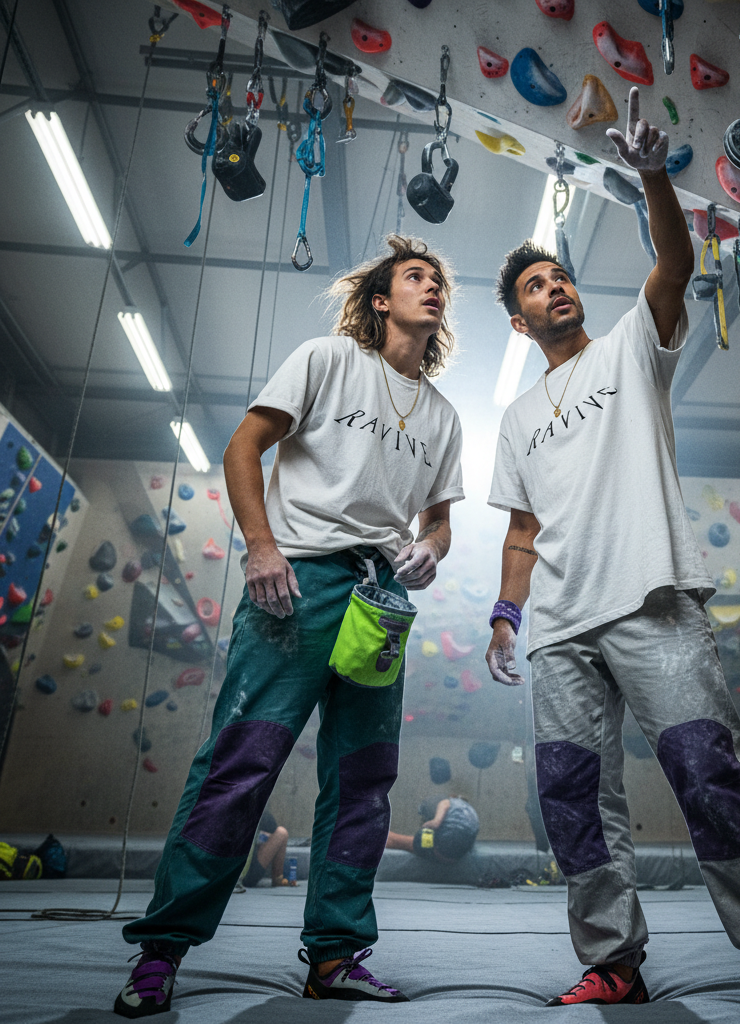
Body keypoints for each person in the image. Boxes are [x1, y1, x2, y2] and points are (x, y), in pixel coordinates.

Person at [484, 89, 740, 1020]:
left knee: (709, 774)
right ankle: (613, 961)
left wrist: (649, 173)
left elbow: (674, 262)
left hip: (652, 602)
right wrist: (506, 613)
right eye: (533, 287)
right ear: (519, 321)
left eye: (558, 277)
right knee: (571, 797)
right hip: (557, 626)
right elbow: (520, 531)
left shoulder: (635, 345)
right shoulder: (515, 416)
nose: (553, 287)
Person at [113, 235, 464, 1017]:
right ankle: (162, 950)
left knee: (364, 778)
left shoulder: (442, 415)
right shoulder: (326, 359)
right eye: (415, 276)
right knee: (242, 761)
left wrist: (430, 551)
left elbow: (438, 524)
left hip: (380, 598)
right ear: (382, 300)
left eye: (438, 280)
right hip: (298, 578)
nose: (432, 286)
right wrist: (261, 546)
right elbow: (244, 448)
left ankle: (335, 956)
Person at [386, 797, 480, 862]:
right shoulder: (466, 811)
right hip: (455, 855)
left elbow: (444, 804)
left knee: (400, 842)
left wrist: (436, 821)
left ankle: (378, 837)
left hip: (441, 850)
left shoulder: (451, 803)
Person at [240, 811, 296, 888]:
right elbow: (272, 825)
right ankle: (278, 880)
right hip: (246, 875)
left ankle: (278, 879)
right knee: (281, 833)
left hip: (230, 872)